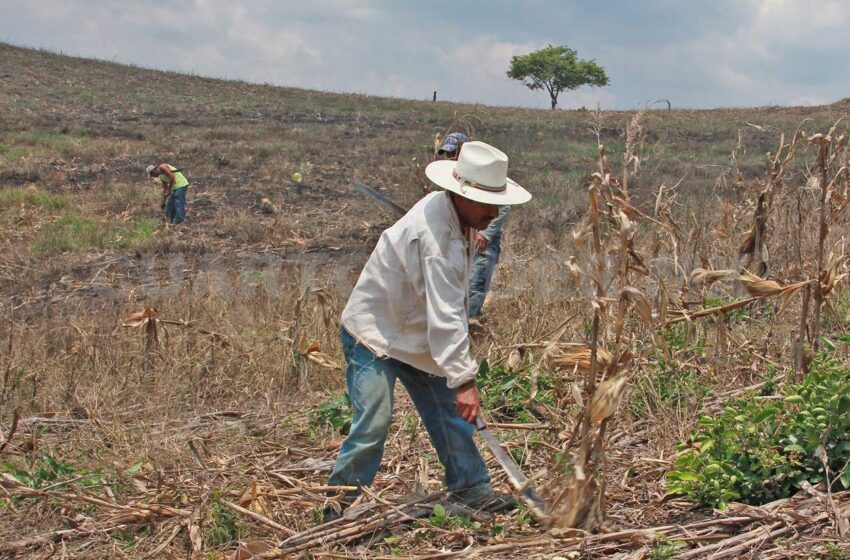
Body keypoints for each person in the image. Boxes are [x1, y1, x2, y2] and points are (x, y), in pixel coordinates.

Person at [325, 141, 531, 520]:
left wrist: (474, 232)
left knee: (449, 412)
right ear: (461, 196)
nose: (495, 212)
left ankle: (470, 488)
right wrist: (465, 380)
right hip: (375, 333)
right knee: (374, 418)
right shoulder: (440, 241)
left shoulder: (454, 217)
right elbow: (447, 315)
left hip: (416, 335)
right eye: (487, 204)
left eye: (497, 203)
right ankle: (340, 506)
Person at [437, 133, 511, 319]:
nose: (450, 157)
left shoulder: (484, 177)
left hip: (483, 243)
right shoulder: (454, 178)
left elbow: (501, 206)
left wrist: (484, 233)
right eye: (448, 153)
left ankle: (470, 323)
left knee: (475, 286)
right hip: (462, 240)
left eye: (454, 153)